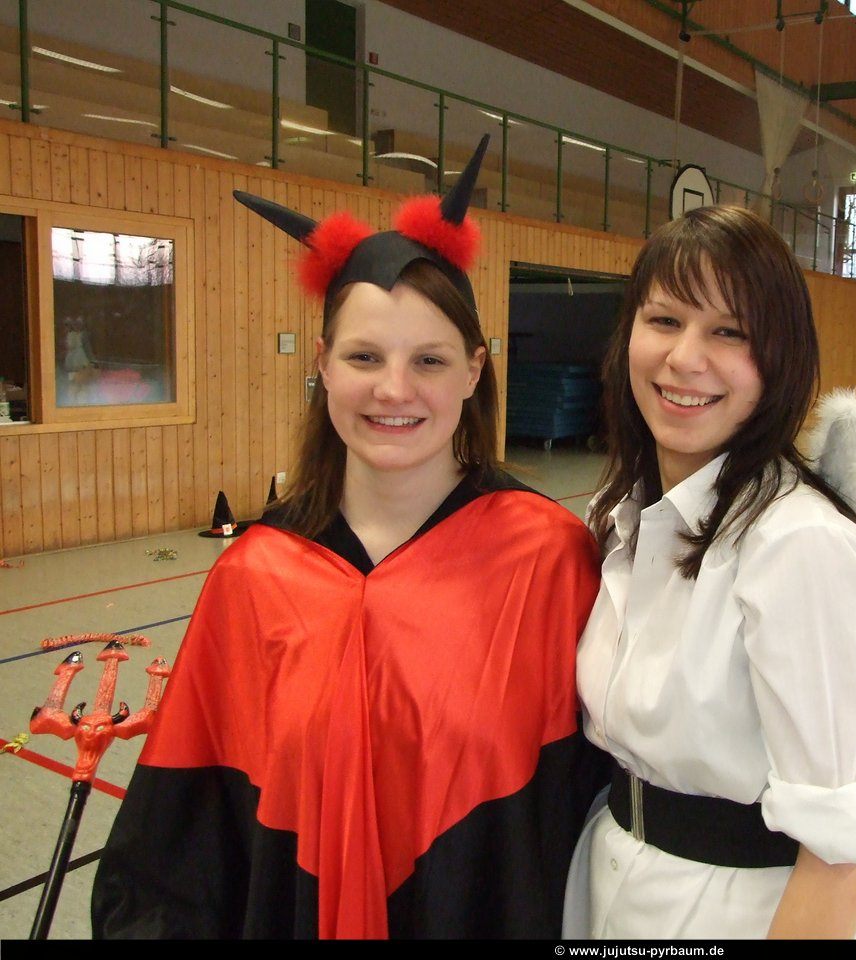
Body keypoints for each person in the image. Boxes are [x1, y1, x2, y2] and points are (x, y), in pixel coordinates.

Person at [92, 136, 607, 939]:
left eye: (429, 360)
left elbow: (586, 808)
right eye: (365, 356)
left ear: (474, 371)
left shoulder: (547, 558)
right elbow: (186, 838)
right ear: (324, 365)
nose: (394, 390)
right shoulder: (255, 575)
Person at [566, 204, 856, 939]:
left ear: (780, 359)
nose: (685, 358)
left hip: (724, 912)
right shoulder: (624, 513)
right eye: (664, 321)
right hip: (608, 881)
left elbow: (843, 853)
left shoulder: (801, 545)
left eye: (729, 332)